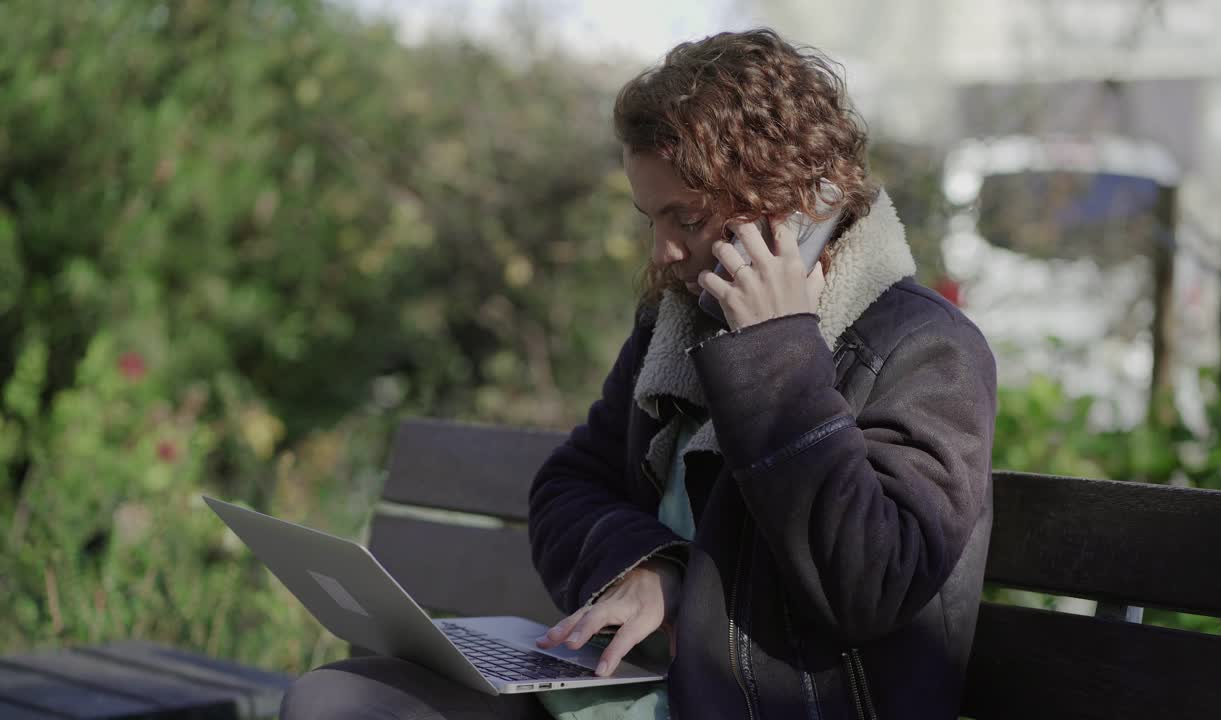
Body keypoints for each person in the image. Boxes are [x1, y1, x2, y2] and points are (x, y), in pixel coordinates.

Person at [280, 27, 996, 720]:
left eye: (686, 219)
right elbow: (568, 485)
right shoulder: (681, 323)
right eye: (652, 219)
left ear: (792, 204)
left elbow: (871, 582)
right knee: (338, 699)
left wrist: (778, 352)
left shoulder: (926, 350)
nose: (663, 252)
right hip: (620, 691)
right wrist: (649, 564)